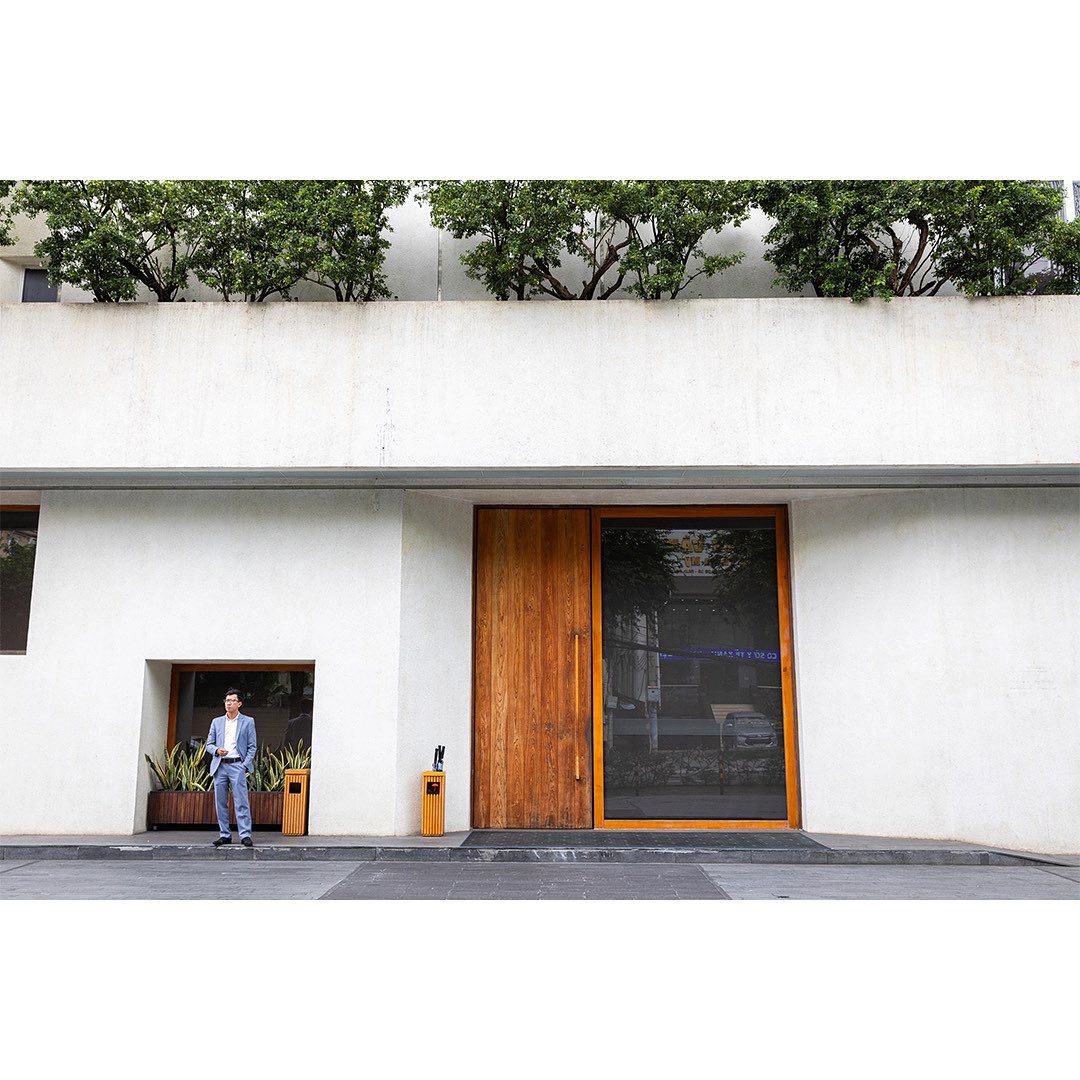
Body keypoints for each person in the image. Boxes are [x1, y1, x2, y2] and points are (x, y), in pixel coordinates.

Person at [206, 688, 257, 848]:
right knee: (220, 802)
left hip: (237, 765)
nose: (229, 703)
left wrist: (244, 765)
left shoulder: (248, 721)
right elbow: (208, 744)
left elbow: (252, 746)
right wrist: (216, 750)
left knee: (241, 801)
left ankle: (245, 835)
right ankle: (225, 835)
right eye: (227, 700)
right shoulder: (216, 722)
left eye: (232, 700)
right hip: (220, 765)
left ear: (239, 703)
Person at [282, 685, 314, 752]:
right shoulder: (313, 723)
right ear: (311, 709)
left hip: (294, 753)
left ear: (300, 708)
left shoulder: (291, 723)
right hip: (309, 752)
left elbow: (286, 740)